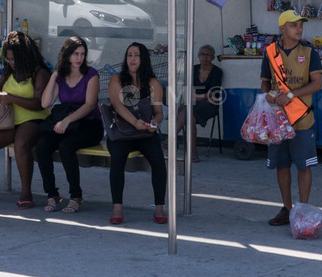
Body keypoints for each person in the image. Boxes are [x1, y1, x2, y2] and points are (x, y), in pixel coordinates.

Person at [260, 8, 322, 226]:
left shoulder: (310, 52)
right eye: (293, 24)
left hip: (302, 118)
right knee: (282, 165)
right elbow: (265, 83)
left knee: (304, 166)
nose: (299, 28)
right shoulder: (269, 52)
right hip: (278, 120)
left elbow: (317, 84)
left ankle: (303, 210)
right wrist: (268, 95)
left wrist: (290, 94)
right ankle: (287, 209)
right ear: (282, 28)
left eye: (300, 25)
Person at [0, 30, 49, 208]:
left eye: (13, 59)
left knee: (22, 144)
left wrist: (13, 99)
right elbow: (0, 90)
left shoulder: (40, 73)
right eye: (8, 59)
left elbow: (40, 104)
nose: (11, 63)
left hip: (33, 119)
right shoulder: (8, 71)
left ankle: (26, 192)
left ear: (24, 56)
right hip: (8, 121)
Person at [34, 35, 103, 213]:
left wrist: (66, 120)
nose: (79, 58)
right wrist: (54, 75)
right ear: (66, 56)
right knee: (42, 146)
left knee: (66, 147)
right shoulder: (61, 76)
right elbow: (45, 103)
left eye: (82, 54)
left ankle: (75, 195)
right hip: (69, 125)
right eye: (75, 54)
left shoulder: (91, 74)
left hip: (89, 124)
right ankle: (52, 194)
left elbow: (89, 105)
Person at [105, 41, 167, 225]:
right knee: (117, 161)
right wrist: (134, 122)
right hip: (122, 131)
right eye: (129, 55)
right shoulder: (117, 79)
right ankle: (117, 208)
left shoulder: (153, 83)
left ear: (144, 59)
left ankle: (159, 208)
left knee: (158, 162)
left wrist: (155, 122)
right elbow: (117, 105)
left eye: (137, 55)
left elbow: (159, 112)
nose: (132, 59)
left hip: (145, 133)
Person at [181, 44, 224, 162]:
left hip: (210, 106)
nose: (205, 58)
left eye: (208, 55)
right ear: (198, 56)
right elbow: (186, 90)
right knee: (190, 113)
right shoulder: (192, 69)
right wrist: (202, 97)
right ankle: (192, 152)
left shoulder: (217, 72)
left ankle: (170, 141)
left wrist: (194, 97)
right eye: (203, 55)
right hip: (193, 105)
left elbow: (212, 94)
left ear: (213, 58)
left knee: (188, 108)